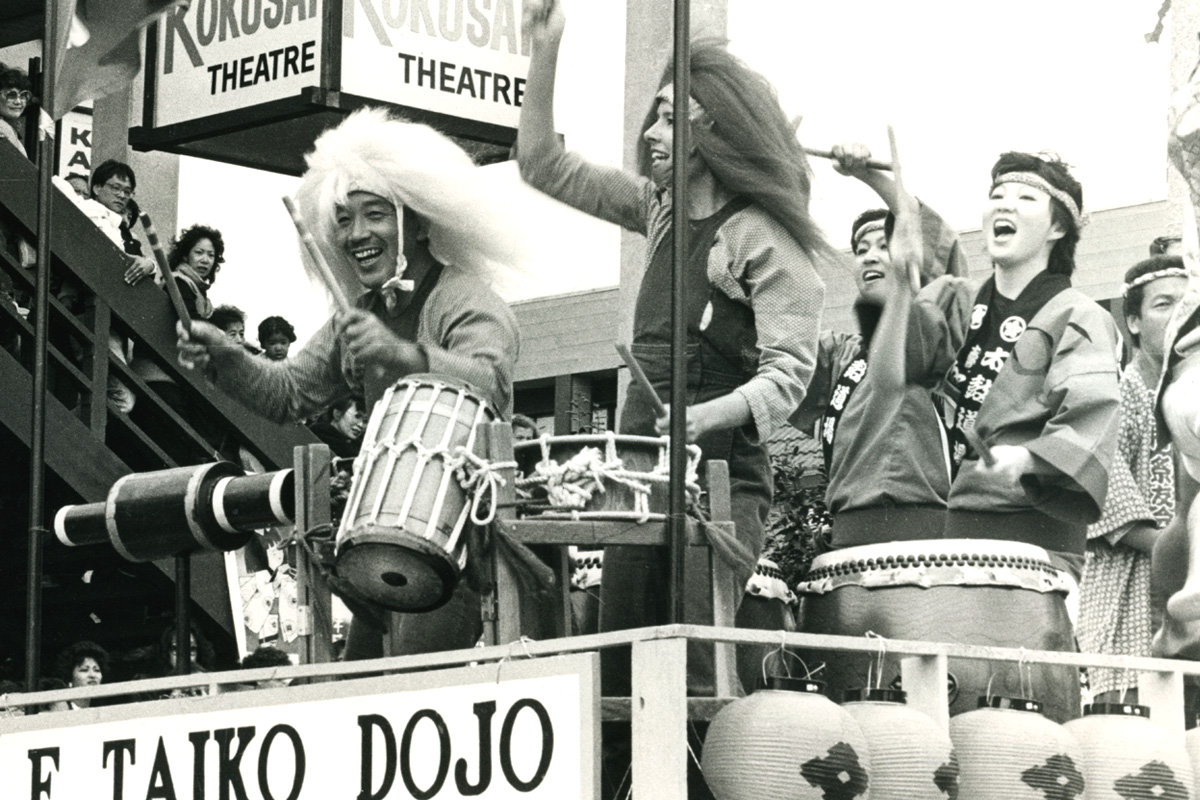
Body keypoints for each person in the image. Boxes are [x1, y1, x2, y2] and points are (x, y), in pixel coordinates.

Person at [518, 0, 831, 697]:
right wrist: (546, 49)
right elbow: (540, 163)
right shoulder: (656, 210)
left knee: (695, 672)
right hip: (638, 474)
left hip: (719, 483)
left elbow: (789, 375)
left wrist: (706, 418)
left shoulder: (760, 238)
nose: (651, 130)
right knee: (623, 666)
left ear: (714, 128)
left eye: (670, 116)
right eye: (655, 113)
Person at [176, 107, 521, 660]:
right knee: (356, 693)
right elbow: (287, 393)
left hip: (457, 553)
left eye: (375, 215)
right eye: (343, 219)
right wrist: (226, 356)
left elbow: (492, 383)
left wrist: (403, 355)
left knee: (404, 695)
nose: (356, 234)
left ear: (421, 220)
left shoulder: (464, 299)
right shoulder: (357, 315)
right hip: (377, 549)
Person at [889, 152, 1120, 580]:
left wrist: (1029, 457)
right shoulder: (963, 304)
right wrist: (874, 179)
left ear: (1058, 226)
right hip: (955, 530)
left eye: (1026, 198)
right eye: (997, 195)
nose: (1004, 205)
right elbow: (928, 248)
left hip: (1037, 544)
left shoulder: (1078, 315)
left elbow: (1093, 411)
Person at [793, 141, 969, 548]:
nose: (870, 257)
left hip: (922, 520)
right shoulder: (841, 355)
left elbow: (926, 232)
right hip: (847, 527)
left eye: (883, 245)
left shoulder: (935, 329)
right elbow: (777, 347)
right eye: (860, 250)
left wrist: (866, 174)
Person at [1078, 256, 1186, 701]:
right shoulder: (1116, 395)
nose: (1180, 316)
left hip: (1188, 585)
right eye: (1164, 304)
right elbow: (1105, 502)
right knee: (1136, 740)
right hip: (1132, 591)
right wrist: (1183, 550)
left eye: (1189, 304)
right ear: (1134, 322)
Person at [53, 640, 109, 710]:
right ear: (70, 678)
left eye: (97, 670)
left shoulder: (98, 712)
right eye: (84, 670)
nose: (92, 675)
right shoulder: (60, 710)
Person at [0, 64, 30, 153]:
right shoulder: (3, 128)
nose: (18, 102)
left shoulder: (11, 128)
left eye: (23, 95)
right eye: (11, 95)